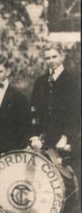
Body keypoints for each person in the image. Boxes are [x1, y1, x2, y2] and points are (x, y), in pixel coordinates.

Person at [30, 45, 81, 176]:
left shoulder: (72, 81)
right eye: (47, 58)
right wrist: (35, 136)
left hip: (66, 139)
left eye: (54, 56)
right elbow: (34, 111)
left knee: (69, 177)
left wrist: (66, 136)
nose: (51, 61)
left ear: (62, 57)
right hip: (45, 138)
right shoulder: (40, 82)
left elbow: (75, 111)